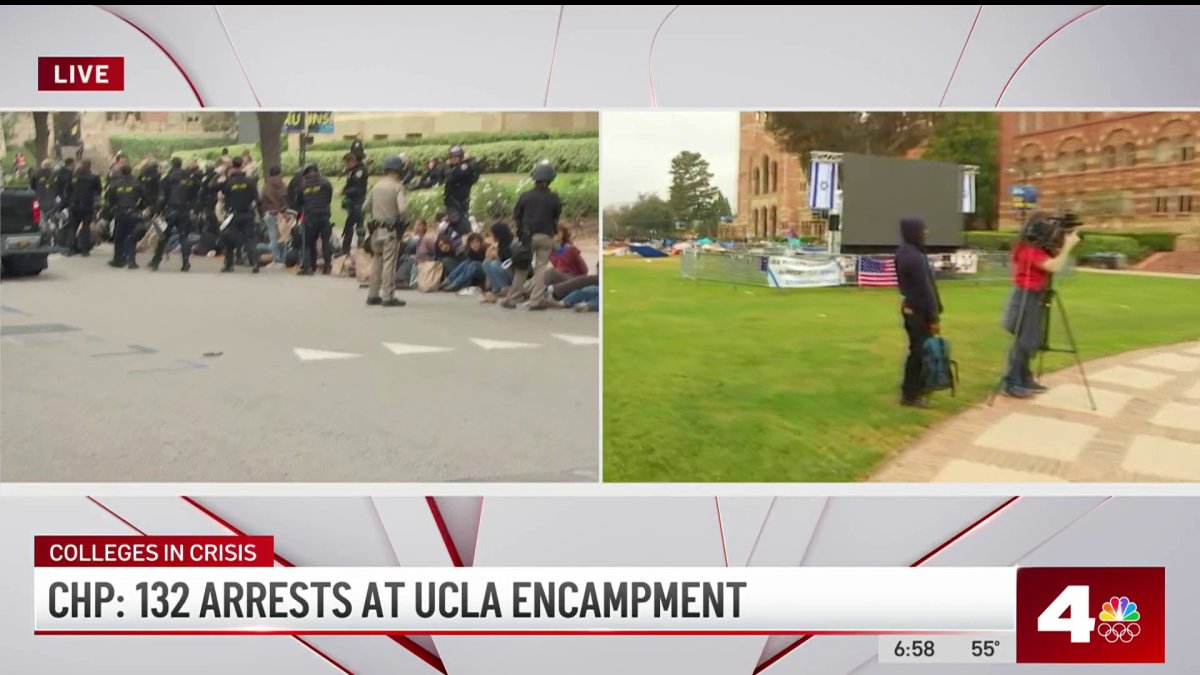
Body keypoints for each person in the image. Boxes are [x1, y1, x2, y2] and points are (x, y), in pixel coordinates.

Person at [1001, 213, 1082, 398]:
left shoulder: (1035, 248)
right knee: (1025, 341)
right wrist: (1068, 246)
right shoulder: (1028, 249)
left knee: (1032, 340)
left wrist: (1061, 243)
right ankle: (1012, 382)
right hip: (1026, 295)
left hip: (1035, 294)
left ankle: (1024, 377)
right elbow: (1054, 267)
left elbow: (1052, 258)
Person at [894, 217, 943, 408]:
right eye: (923, 230)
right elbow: (925, 288)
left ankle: (915, 388)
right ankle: (910, 393)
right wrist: (934, 315)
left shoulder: (903, 253)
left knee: (918, 350)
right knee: (919, 352)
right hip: (918, 309)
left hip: (910, 306)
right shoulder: (915, 257)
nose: (926, 234)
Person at [503, 161, 561, 310]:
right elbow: (556, 216)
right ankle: (536, 300)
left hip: (527, 236)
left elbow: (517, 215)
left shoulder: (526, 196)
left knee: (522, 267)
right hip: (546, 235)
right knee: (541, 269)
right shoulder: (554, 197)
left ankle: (513, 298)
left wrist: (521, 231)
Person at [361, 155, 408, 307]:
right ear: (399, 170)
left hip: (375, 230)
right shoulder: (398, 187)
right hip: (390, 230)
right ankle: (388, 295)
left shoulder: (376, 186)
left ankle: (373, 294)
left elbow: (365, 207)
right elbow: (402, 209)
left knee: (376, 260)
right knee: (389, 262)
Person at [150, 157, 199, 272]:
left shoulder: (167, 178)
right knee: (184, 237)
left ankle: (156, 261)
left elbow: (162, 197)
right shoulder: (189, 178)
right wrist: (192, 207)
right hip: (184, 211)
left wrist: (157, 212)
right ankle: (186, 263)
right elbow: (194, 193)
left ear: (172, 165)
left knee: (163, 236)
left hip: (170, 210)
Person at [218, 157, 262, 273]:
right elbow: (257, 199)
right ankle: (255, 262)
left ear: (232, 166)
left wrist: (222, 172)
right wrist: (261, 214)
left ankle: (229, 264)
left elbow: (217, 188)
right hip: (247, 214)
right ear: (242, 165)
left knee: (229, 239)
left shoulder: (228, 182)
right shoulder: (250, 182)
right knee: (250, 239)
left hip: (232, 215)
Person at [103, 164, 145, 269]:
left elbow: (109, 197)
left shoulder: (115, 183)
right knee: (131, 236)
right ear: (131, 172)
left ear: (121, 172)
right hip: (133, 211)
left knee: (118, 236)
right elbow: (144, 196)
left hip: (120, 212)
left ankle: (118, 260)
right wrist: (139, 206)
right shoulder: (137, 183)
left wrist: (111, 209)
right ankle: (131, 260)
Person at [298, 162, 334, 275]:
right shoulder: (325, 182)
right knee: (326, 241)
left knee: (308, 242)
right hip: (324, 215)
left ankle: (309, 267)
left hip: (310, 216)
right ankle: (327, 266)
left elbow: (299, 201)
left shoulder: (303, 185)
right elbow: (329, 197)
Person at [65, 159, 102, 256]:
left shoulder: (73, 176)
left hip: (74, 204)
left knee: (73, 227)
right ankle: (84, 250)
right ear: (89, 166)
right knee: (85, 228)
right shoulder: (93, 178)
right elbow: (99, 190)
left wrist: (70, 200)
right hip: (87, 205)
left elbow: (67, 189)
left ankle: (70, 248)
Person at [442, 145, 478, 236]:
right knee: (454, 226)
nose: (453, 159)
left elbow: (451, 177)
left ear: (461, 157)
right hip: (452, 200)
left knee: (460, 227)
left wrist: (447, 167)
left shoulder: (464, 167)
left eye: (456, 157)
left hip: (458, 201)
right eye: (452, 157)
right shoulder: (455, 167)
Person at [260, 166, 289, 267]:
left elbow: (262, 201)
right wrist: (283, 211)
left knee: (273, 237)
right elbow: (286, 200)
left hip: (269, 214)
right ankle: (282, 259)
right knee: (283, 237)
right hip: (281, 214)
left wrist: (265, 212)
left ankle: (274, 258)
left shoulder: (266, 186)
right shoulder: (283, 186)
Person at [340, 151, 368, 254]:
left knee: (359, 225)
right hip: (352, 200)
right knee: (349, 225)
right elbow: (349, 184)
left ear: (351, 161)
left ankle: (360, 249)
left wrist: (343, 192)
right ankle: (345, 249)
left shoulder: (360, 171)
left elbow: (358, 188)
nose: (346, 166)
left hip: (358, 200)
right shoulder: (352, 171)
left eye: (346, 163)